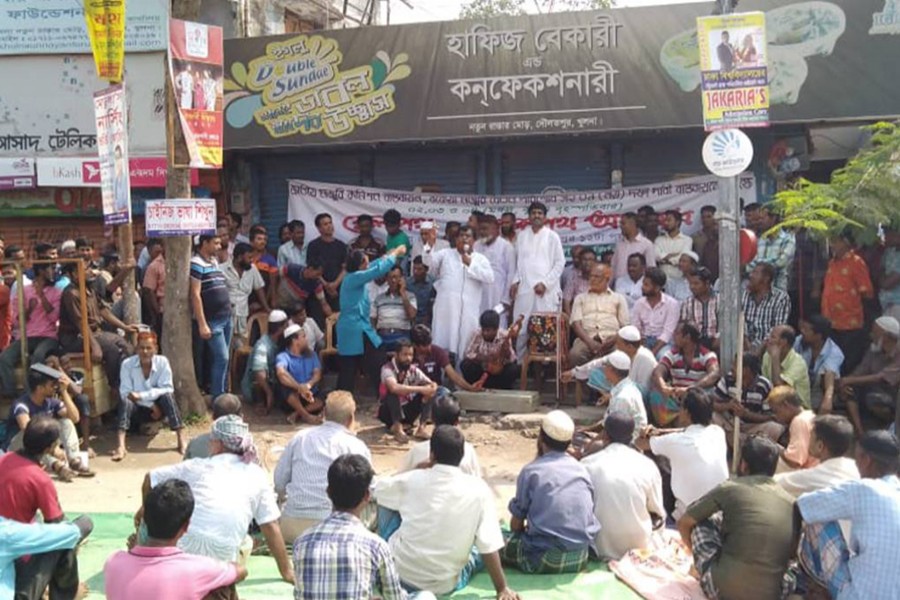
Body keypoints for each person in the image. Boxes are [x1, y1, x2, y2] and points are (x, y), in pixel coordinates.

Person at [141, 416, 293, 583]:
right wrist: (286, 571)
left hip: (181, 558)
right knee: (245, 545)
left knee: (151, 523)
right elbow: (270, 525)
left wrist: (145, 517)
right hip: (221, 560)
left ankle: (141, 556)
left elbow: (150, 478)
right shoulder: (257, 474)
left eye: (212, 441)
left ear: (219, 444)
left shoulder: (197, 466)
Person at [374, 426, 519, 598]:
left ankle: (379, 559)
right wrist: (502, 588)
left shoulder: (411, 480)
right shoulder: (479, 489)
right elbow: (489, 546)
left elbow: (376, 490)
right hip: (444, 584)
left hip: (398, 575)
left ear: (432, 454)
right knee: (481, 546)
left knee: (385, 498)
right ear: (461, 456)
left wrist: (417, 469)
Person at [678, 436, 797, 600]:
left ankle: (705, 571)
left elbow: (685, 522)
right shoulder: (792, 503)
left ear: (744, 465)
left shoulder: (730, 488)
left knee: (703, 522)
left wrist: (694, 555)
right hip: (773, 595)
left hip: (721, 590)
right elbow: (791, 554)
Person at [293, 455, 421, 600]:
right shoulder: (376, 546)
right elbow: (395, 597)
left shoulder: (302, 542)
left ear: (328, 492)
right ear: (367, 496)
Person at [796, 431, 900, 600]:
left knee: (818, 518)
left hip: (856, 596)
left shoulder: (864, 488)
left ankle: (814, 588)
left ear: (866, 460)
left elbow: (803, 505)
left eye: (857, 460)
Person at [0, 417, 94, 600]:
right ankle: (66, 595)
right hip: (17, 547)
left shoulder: (4, 460)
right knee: (67, 537)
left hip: (12, 544)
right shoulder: (40, 479)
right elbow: (57, 526)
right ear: (50, 448)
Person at [105, 479, 246, 600]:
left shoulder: (113, 562)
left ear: (144, 520)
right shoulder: (197, 568)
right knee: (222, 587)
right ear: (186, 526)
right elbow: (240, 571)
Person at [504, 411, 599, 574]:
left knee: (494, 541)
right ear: (569, 442)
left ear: (541, 439)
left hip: (544, 557)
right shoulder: (581, 469)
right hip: (580, 556)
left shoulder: (531, 471)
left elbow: (516, 525)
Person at [274, 391, 371, 544]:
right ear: (351, 418)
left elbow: (279, 483)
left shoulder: (300, 438)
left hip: (292, 526)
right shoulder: (357, 446)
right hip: (336, 531)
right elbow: (369, 489)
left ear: (324, 413)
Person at [581, 412, 665, 561]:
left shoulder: (586, 465)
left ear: (604, 435)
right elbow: (658, 513)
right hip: (639, 550)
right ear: (631, 436)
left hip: (599, 549)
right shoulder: (647, 465)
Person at [642, 388, 729, 519]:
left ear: (687, 412)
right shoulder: (718, 432)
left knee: (655, 458)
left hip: (687, 515)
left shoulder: (675, 441)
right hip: (719, 511)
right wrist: (660, 431)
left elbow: (640, 444)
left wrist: (644, 432)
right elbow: (686, 430)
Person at [336, 245, 406, 393]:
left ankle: (381, 393)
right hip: (354, 328)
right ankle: (382, 393)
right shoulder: (354, 277)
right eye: (366, 262)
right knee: (352, 367)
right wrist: (396, 253)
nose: (368, 264)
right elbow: (377, 270)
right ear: (359, 265)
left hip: (357, 327)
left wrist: (388, 255)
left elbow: (375, 265)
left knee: (357, 364)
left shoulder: (356, 275)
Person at [4, 365, 90, 480]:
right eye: (52, 385)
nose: (55, 387)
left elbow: (75, 418)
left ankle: (74, 460)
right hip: (17, 447)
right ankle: (57, 466)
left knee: (66, 423)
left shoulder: (51, 402)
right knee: (34, 436)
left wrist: (64, 392)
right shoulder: (21, 405)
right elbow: (29, 431)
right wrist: (54, 450)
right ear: (40, 388)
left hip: (40, 447)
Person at [113, 332, 184, 461]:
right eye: (141, 348)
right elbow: (126, 393)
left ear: (155, 349)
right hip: (137, 410)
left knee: (168, 396)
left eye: (149, 348)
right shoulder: (127, 364)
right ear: (136, 349)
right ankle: (121, 446)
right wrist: (151, 404)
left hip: (159, 410)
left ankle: (181, 439)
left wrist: (141, 396)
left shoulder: (162, 362)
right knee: (125, 401)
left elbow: (168, 388)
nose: (145, 352)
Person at [0, 261, 62, 400]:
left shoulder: (56, 292)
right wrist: (30, 309)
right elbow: (17, 320)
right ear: (41, 271)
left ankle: (32, 395)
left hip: (48, 336)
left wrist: (41, 295)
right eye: (51, 268)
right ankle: (11, 394)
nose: (54, 271)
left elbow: (54, 317)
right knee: (4, 358)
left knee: (37, 357)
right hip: (27, 336)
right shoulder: (24, 291)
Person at [431, 225, 494, 361]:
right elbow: (428, 262)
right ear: (456, 239)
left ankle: (461, 375)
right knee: (442, 343)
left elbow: (490, 277)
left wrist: (471, 264)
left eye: (468, 236)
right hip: (446, 310)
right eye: (461, 236)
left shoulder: (480, 259)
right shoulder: (445, 254)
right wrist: (428, 246)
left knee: (466, 347)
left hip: (468, 312)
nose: (464, 239)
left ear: (474, 240)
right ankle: (441, 373)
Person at [510, 202, 565, 358]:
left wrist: (545, 284)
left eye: (540, 213)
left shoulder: (552, 236)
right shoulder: (521, 236)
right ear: (528, 216)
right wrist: (515, 281)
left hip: (545, 292)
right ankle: (520, 365)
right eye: (533, 213)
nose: (536, 216)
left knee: (545, 330)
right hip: (525, 289)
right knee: (521, 329)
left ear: (545, 217)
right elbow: (518, 263)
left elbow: (560, 263)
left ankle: (543, 366)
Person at [574, 350, 648, 456]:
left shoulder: (622, 398)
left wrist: (583, 450)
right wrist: (588, 429)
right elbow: (607, 422)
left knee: (583, 443)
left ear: (611, 370)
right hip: (618, 438)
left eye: (605, 366)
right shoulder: (624, 386)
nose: (603, 369)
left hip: (628, 446)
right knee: (578, 434)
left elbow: (610, 430)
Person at [821, 231, 874, 375]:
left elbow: (867, 292)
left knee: (849, 360)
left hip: (850, 322)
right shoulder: (832, 263)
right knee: (833, 359)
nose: (832, 245)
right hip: (831, 321)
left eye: (835, 241)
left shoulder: (856, 262)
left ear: (846, 242)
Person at [648, 321, 720, 427]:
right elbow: (658, 371)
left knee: (707, 394)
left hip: (695, 399)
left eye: (677, 333)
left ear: (687, 337)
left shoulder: (707, 355)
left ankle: (684, 420)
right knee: (656, 392)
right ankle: (674, 421)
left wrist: (690, 389)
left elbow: (714, 374)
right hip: (676, 398)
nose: (674, 336)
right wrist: (663, 386)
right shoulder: (672, 354)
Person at [839, 315, 900, 436]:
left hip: (891, 393)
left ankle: (889, 423)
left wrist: (848, 380)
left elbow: (881, 377)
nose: (871, 335)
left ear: (886, 336)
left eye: (875, 332)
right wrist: (846, 382)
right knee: (851, 390)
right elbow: (861, 369)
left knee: (874, 399)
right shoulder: (874, 349)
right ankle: (859, 431)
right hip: (871, 388)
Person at [190, 234, 233, 398]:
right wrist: (202, 323)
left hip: (226, 316)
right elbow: (195, 294)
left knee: (224, 358)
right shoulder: (196, 263)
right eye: (215, 243)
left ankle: (223, 392)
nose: (219, 247)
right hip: (213, 320)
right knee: (222, 357)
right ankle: (217, 396)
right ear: (204, 243)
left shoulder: (214, 262)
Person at [775, 414, 860, 498]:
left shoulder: (813, 476)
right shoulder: (855, 467)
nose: (808, 440)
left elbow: (775, 482)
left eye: (811, 436)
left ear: (820, 446)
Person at [398, 394, 482, 476]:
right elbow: (476, 478)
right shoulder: (468, 451)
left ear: (432, 418)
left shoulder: (417, 451)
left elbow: (401, 478)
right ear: (457, 421)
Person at [563, 325, 657, 395]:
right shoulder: (623, 353)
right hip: (624, 389)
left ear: (629, 347)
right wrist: (573, 372)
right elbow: (599, 362)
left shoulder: (645, 358)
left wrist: (616, 394)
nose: (617, 347)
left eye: (619, 344)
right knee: (595, 372)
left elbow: (644, 390)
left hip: (638, 398)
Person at [712, 353, 782, 444]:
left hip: (754, 427)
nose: (732, 368)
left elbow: (769, 416)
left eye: (735, 365)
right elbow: (712, 403)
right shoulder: (727, 380)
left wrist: (746, 414)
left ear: (746, 370)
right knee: (712, 416)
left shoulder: (764, 386)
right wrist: (728, 406)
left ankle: (743, 442)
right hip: (731, 424)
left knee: (775, 428)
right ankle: (735, 440)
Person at [568, 264, 629, 367]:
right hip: (587, 338)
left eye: (597, 276)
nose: (592, 279)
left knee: (621, 356)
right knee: (575, 355)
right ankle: (583, 378)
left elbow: (625, 326)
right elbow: (576, 324)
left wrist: (613, 340)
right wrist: (590, 342)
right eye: (591, 276)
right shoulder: (580, 298)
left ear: (607, 279)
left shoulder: (618, 298)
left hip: (612, 338)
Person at [378, 340, 438, 443]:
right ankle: (398, 429)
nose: (408, 358)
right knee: (393, 393)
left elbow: (431, 384)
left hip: (407, 410)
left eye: (411, 355)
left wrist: (431, 387)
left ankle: (421, 428)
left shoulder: (413, 369)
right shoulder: (387, 369)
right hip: (389, 412)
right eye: (405, 355)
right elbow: (394, 388)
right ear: (396, 355)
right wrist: (421, 389)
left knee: (429, 391)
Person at [221, 242, 269, 348]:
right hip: (225, 316)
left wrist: (266, 308)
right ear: (239, 258)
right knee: (224, 348)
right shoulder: (221, 269)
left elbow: (259, 288)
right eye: (249, 258)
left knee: (240, 347)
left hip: (242, 316)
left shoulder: (252, 269)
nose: (252, 260)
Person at [241, 309, 289, 414]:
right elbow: (259, 374)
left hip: (273, 381)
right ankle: (260, 403)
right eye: (286, 325)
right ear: (280, 328)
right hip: (255, 387)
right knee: (259, 379)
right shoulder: (262, 345)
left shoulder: (281, 342)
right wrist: (269, 393)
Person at [275, 324, 323, 425]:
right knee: (285, 388)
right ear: (295, 340)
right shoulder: (283, 356)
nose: (306, 339)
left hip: (310, 395)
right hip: (293, 397)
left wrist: (309, 385)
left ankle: (297, 413)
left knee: (326, 395)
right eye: (303, 337)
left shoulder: (312, 354)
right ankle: (306, 416)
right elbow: (281, 373)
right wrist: (299, 388)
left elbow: (317, 374)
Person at [460, 310, 521, 390]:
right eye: (483, 329)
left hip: (499, 374)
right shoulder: (477, 333)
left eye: (488, 330)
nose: (485, 333)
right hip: (482, 371)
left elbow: (512, 359)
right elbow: (468, 354)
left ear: (496, 329)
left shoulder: (504, 335)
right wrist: (484, 358)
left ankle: (501, 387)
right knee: (466, 365)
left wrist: (507, 352)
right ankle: (476, 386)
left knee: (514, 369)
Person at [795, 315, 844, 413]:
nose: (802, 331)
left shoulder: (834, 352)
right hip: (798, 385)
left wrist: (827, 399)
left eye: (806, 330)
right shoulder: (799, 340)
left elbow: (829, 374)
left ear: (818, 335)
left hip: (818, 390)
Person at [474, 214, 516, 326]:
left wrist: (506, 300)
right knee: (478, 326)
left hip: (499, 298)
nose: (482, 232)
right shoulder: (476, 246)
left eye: (485, 229)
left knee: (498, 326)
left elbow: (511, 274)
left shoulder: (506, 247)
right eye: (480, 229)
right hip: (478, 296)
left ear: (496, 230)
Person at [767, 385, 819, 472]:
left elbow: (794, 461)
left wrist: (773, 446)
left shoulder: (799, 421)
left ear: (785, 405)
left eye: (776, 411)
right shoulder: (809, 415)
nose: (776, 416)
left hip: (808, 471)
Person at [742, 263, 791, 353]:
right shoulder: (744, 295)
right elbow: (740, 322)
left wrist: (759, 350)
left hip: (768, 347)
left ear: (766, 279)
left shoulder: (781, 298)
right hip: (744, 345)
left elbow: (777, 329)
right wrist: (746, 343)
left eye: (755, 273)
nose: (751, 276)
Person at [630, 267, 680, 356]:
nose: (642, 287)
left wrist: (652, 353)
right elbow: (636, 328)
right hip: (644, 341)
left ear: (657, 288)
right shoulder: (639, 303)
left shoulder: (672, 304)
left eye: (646, 285)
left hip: (664, 343)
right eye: (643, 284)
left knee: (662, 356)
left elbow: (667, 333)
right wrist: (642, 346)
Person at [746, 205, 796, 292]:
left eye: (763, 218)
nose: (760, 221)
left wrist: (759, 267)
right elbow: (750, 266)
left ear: (773, 218)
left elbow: (781, 262)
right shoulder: (760, 240)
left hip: (778, 289)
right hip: (758, 292)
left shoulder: (788, 239)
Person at [410, 324, 475, 391]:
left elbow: (453, 375)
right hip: (413, 390)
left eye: (429, 344)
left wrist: (470, 388)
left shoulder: (437, 352)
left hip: (434, 390)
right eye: (424, 346)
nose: (429, 348)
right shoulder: (407, 355)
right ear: (414, 345)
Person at [307, 213, 348, 315]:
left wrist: (335, 284)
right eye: (325, 224)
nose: (329, 226)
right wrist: (326, 285)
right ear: (319, 228)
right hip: (319, 291)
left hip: (338, 291)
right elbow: (312, 269)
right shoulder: (313, 246)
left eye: (330, 223)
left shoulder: (341, 245)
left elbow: (345, 268)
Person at [762, 325, 812, 409]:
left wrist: (775, 359)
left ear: (783, 342)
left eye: (772, 337)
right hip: (776, 406)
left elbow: (780, 390)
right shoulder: (767, 356)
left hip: (797, 409)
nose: (768, 340)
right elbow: (767, 387)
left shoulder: (798, 363)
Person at [183, 393, 243, 460]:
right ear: (241, 417)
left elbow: (185, 465)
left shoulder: (195, 443)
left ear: (213, 417)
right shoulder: (248, 450)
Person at [371, 265, 417, 351]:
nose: (393, 280)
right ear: (387, 280)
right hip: (382, 337)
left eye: (396, 277)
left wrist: (403, 293)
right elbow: (373, 320)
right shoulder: (379, 298)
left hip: (402, 337)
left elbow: (412, 315)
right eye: (390, 277)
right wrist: (375, 337)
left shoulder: (410, 296)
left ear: (402, 278)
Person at [277, 258, 332, 322]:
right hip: (279, 303)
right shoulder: (292, 268)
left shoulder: (316, 284)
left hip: (294, 310)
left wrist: (332, 317)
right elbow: (275, 276)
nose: (318, 277)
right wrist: (273, 296)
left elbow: (324, 303)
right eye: (317, 274)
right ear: (310, 269)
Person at [680, 266, 719, 349]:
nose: (692, 287)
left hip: (716, 341)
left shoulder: (720, 300)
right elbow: (684, 327)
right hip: (695, 343)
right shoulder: (687, 303)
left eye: (696, 283)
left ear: (707, 284)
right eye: (690, 283)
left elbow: (726, 326)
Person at [654, 210, 692, 290]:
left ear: (677, 222)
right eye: (665, 220)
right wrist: (673, 257)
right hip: (662, 281)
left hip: (679, 279)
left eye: (669, 220)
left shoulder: (687, 240)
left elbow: (682, 258)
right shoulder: (659, 239)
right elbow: (656, 256)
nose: (666, 223)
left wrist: (665, 259)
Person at [612, 212, 656, 281]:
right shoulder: (619, 244)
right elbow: (613, 266)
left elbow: (651, 268)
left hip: (638, 284)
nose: (620, 226)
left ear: (632, 224)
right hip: (618, 284)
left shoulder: (646, 244)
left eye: (623, 223)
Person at [141, 238, 166, 336]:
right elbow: (149, 291)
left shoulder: (182, 262)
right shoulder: (154, 266)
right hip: (162, 310)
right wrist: (157, 312)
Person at [562, 248, 596, 315]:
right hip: (578, 315)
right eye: (584, 259)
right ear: (580, 261)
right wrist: (571, 319)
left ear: (595, 262)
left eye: (590, 259)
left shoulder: (600, 277)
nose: (587, 263)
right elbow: (566, 301)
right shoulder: (573, 277)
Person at [406, 256, 435, 326]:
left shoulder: (433, 283)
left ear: (426, 269)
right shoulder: (407, 283)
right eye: (414, 269)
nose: (415, 272)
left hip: (429, 320)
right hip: (410, 319)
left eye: (419, 269)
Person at [879, 228, 900, 321]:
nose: (886, 237)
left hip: (897, 305)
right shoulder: (889, 251)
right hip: (886, 304)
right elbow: (881, 269)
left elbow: (887, 283)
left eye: (890, 234)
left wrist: (882, 280)